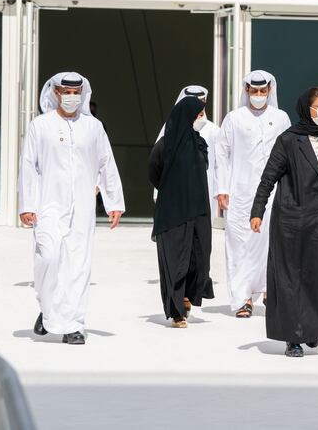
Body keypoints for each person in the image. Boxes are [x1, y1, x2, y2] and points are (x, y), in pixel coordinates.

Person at [18, 72, 125, 345]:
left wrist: (114, 202)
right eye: (65, 91)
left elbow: (106, 164)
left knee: (78, 265)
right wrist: (27, 205)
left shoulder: (93, 127)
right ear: (55, 92)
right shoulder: (39, 125)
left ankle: (73, 324)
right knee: (49, 258)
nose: (71, 97)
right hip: (47, 205)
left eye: (76, 91)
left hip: (83, 207)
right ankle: (47, 308)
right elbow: (28, 166)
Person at [250, 87, 318, 357]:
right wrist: (257, 210)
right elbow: (269, 177)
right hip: (291, 219)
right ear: (307, 108)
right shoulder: (289, 140)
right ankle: (294, 336)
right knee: (291, 278)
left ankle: (310, 327)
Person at [215, 71, 291, 318]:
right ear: (246, 90)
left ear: (270, 90)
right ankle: (242, 298)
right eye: (254, 91)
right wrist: (222, 189)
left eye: (263, 91)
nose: (259, 95)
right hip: (240, 192)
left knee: (272, 241)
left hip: (273, 191)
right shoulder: (234, 118)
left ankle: (270, 290)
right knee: (240, 244)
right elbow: (221, 154)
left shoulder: (281, 118)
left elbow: (290, 154)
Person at [149, 97, 215, 328]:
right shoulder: (165, 145)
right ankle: (176, 310)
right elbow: (154, 172)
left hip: (198, 210)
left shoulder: (200, 143)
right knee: (175, 261)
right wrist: (172, 193)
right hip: (173, 212)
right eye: (197, 116)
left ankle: (188, 294)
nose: (201, 120)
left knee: (199, 258)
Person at [155, 85, 219, 212]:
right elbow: (157, 163)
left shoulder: (214, 130)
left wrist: (220, 191)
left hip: (204, 193)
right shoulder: (170, 127)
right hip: (175, 193)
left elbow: (221, 164)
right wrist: (159, 191)